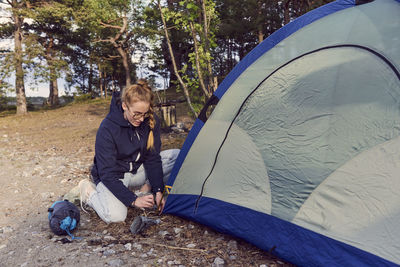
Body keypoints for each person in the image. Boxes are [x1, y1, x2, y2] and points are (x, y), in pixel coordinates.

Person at [79, 79, 179, 224]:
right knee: (116, 217)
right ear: (125, 106)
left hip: (138, 171)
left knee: (177, 156)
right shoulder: (108, 128)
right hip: (115, 176)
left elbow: (153, 158)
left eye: (144, 114)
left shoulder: (150, 120)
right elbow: (107, 174)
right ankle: (89, 192)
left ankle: (146, 188)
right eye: (136, 114)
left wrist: (158, 190)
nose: (140, 119)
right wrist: (133, 200)